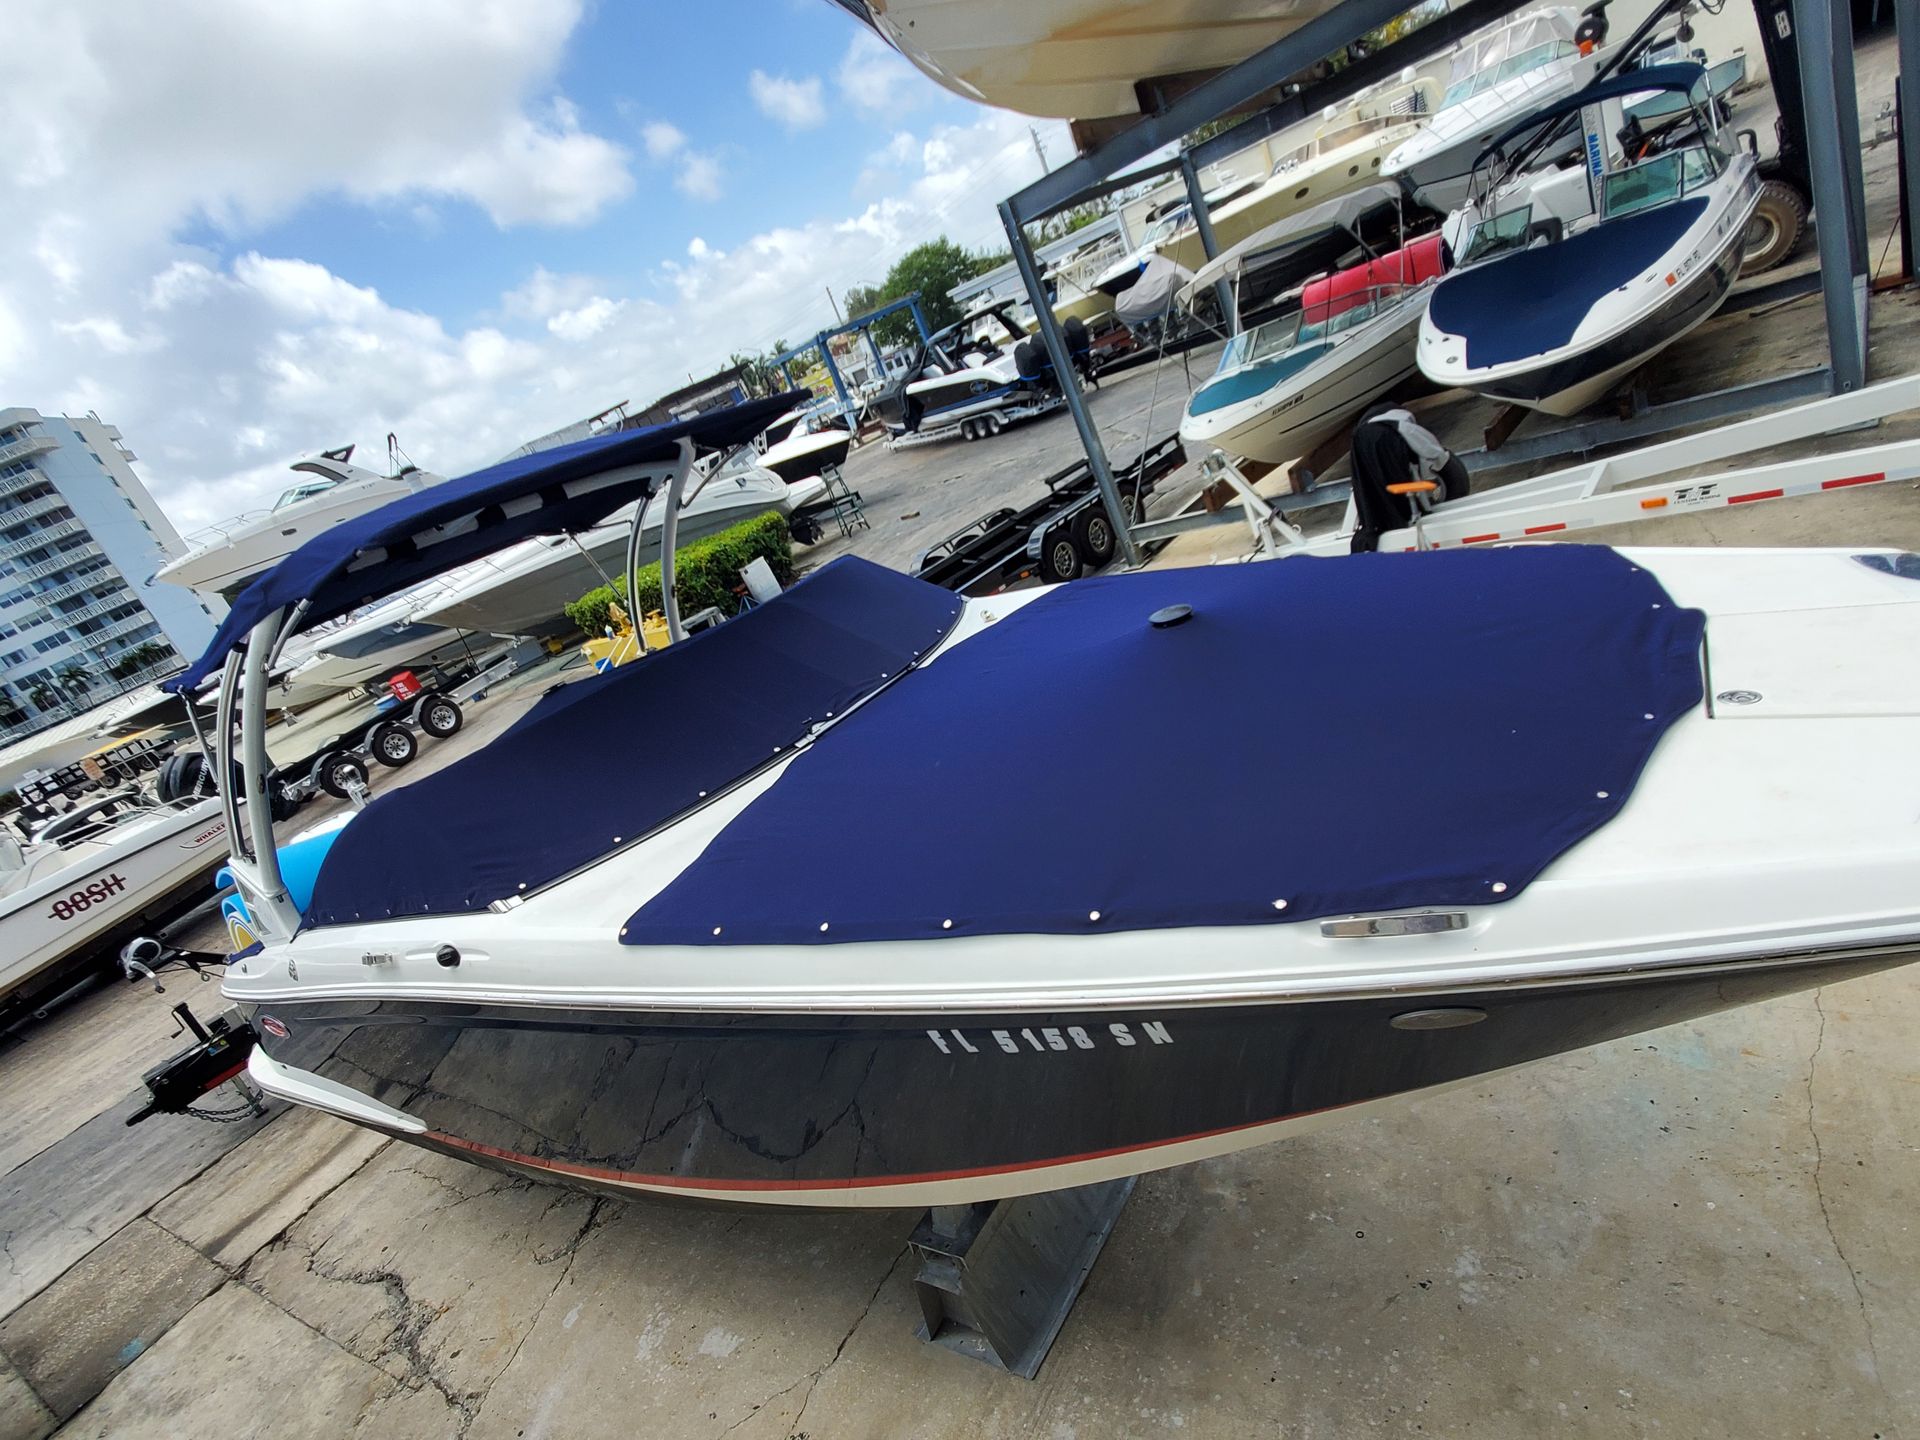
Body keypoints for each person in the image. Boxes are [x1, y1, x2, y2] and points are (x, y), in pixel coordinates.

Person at [1347, 402, 1470, 554]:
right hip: (1385, 439)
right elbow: (1432, 452)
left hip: (1360, 440)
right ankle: (1400, 521)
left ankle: (1377, 524)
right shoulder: (1405, 424)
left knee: (1370, 489)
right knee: (1397, 486)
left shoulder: (1376, 421)